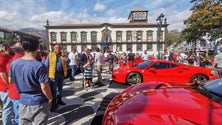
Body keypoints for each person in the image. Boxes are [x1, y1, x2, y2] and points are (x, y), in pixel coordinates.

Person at [8, 37, 52, 125]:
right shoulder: (39, 66)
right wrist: (50, 98)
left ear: (22, 47)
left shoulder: (14, 63)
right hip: (38, 102)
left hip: (23, 101)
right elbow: (44, 87)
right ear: (38, 48)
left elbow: (10, 81)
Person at [45, 44, 67, 111]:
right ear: (54, 49)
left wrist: (64, 56)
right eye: (57, 48)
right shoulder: (50, 55)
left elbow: (66, 64)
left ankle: (59, 100)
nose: (58, 49)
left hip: (61, 74)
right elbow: (46, 65)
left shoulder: (62, 56)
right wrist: (46, 77)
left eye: (59, 48)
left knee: (60, 88)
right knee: (53, 90)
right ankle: (53, 104)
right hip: (53, 75)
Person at [6, 42, 24, 125]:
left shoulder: (10, 62)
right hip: (22, 93)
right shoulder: (26, 61)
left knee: (17, 114)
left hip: (13, 92)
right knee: (21, 116)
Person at [0, 44, 14, 125]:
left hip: (6, 87)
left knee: (8, 107)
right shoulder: (3, 58)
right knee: (7, 107)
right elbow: (2, 74)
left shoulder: (7, 57)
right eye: (10, 47)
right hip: (5, 88)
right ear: (6, 48)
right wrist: (9, 86)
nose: (12, 48)